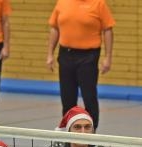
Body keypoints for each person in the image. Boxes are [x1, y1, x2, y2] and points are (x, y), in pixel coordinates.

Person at [47, 0, 115, 129]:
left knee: (89, 97)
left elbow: (108, 30)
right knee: (67, 98)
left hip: (88, 56)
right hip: (66, 54)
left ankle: (91, 133)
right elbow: (54, 28)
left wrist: (108, 57)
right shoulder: (62, 3)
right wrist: (50, 53)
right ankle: (68, 132)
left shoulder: (98, 4)